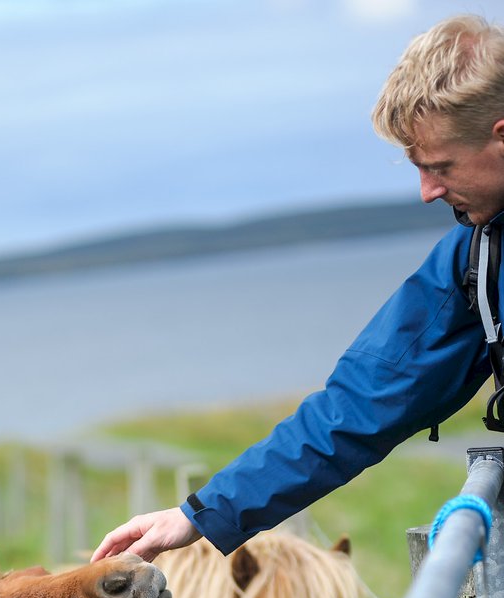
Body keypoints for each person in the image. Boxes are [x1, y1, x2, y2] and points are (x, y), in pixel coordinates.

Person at [91, 13, 504, 564]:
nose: (427, 192)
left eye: (440, 166)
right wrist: (200, 512)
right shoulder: (478, 252)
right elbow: (361, 401)